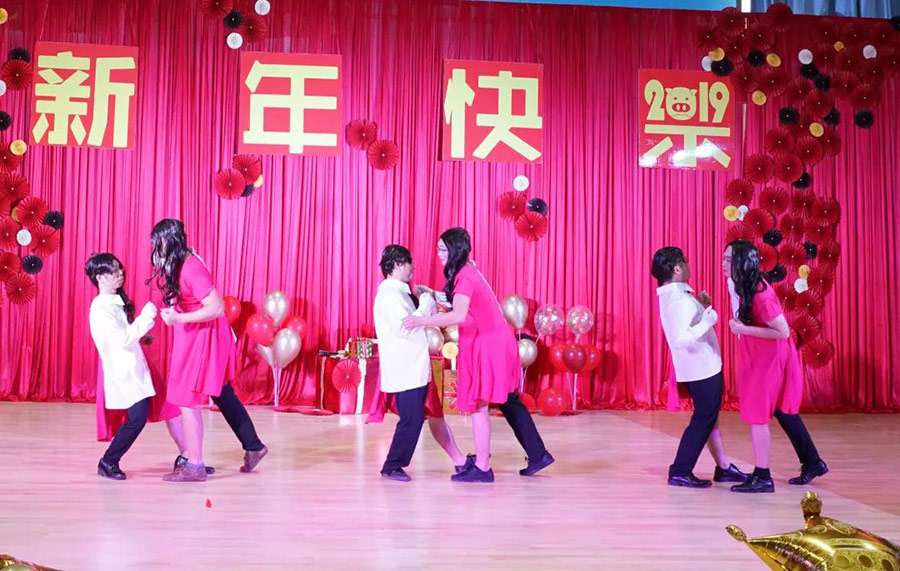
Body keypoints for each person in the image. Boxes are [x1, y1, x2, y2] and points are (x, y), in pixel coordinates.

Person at [403, 228, 553, 483]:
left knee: (479, 402)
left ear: (455, 250)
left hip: (488, 345)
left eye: (442, 249)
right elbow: (462, 304)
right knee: (505, 399)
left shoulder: (465, 276)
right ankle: (535, 454)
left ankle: (483, 466)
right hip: (493, 342)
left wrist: (420, 321)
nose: (438, 254)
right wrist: (432, 294)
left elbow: (458, 314)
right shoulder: (467, 271)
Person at [149, 219, 268, 482]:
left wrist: (178, 318)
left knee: (186, 397)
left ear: (170, 240)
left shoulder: (191, 267)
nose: (156, 248)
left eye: (159, 242)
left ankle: (195, 465)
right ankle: (253, 446)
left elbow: (216, 307)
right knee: (220, 391)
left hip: (203, 336)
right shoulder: (179, 262)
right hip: (197, 334)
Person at [87, 253, 214, 479]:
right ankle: (108, 461)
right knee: (137, 419)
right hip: (125, 373)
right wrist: (147, 315)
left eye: (120, 268)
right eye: (114, 270)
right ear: (100, 277)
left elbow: (124, 335)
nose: (120, 273)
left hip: (138, 368)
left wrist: (141, 336)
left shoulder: (113, 303)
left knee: (170, 408)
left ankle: (188, 456)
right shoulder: (100, 308)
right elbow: (123, 339)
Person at [723, 240, 828, 493]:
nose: (723, 263)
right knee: (782, 410)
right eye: (724, 258)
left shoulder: (761, 294)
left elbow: (782, 332)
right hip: (760, 353)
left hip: (769, 357)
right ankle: (813, 462)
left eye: (729, 259)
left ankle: (763, 476)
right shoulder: (740, 283)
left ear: (743, 263)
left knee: (758, 415)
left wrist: (743, 329)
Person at [651, 247, 747, 488]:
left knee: (709, 417)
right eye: (684, 262)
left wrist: (700, 307)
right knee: (703, 419)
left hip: (700, 367)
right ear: (677, 268)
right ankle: (680, 470)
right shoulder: (678, 300)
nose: (688, 265)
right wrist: (706, 321)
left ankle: (723, 467)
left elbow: (684, 324)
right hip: (701, 368)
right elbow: (680, 338)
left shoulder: (677, 296)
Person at [373, 245, 468, 481]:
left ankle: (460, 460)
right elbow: (406, 326)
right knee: (411, 419)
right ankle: (392, 465)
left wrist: (428, 299)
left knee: (430, 416)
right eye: (409, 263)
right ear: (397, 264)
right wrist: (425, 304)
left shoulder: (400, 292)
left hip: (415, 366)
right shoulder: (389, 295)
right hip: (405, 367)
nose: (413, 268)